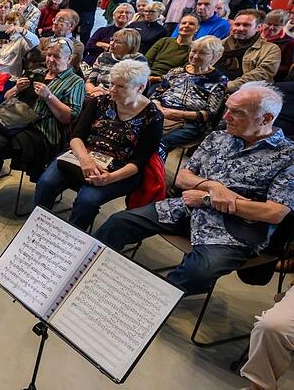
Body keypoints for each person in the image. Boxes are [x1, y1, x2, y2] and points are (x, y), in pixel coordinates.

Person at [95, 81, 294, 295]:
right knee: (120, 222)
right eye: (227, 108)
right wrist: (213, 186)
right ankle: (92, 275)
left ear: (266, 119)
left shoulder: (288, 156)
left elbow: (274, 213)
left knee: (199, 271)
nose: (226, 116)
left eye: (237, 112)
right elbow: (182, 177)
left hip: (234, 230)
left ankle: (148, 304)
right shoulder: (219, 137)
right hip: (187, 207)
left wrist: (207, 199)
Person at [0, 39, 86, 213]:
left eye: (56, 56)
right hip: (12, 120)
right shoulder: (36, 72)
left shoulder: (75, 82)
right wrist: (16, 89)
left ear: (69, 58)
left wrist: (49, 97)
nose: (50, 60)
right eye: (48, 55)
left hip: (39, 130)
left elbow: (68, 118)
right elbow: (8, 99)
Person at [35, 60, 163, 230]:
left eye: (121, 87)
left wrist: (110, 178)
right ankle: (37, 224)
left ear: (140, 88)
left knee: (87, 200)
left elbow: (139, 162)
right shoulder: (100, 101)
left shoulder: (153, 117)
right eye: (111, 84)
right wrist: (85, 160)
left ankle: (73, 235)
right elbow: (76, 136)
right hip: (83, 155)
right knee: (46, 182)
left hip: (120, 168)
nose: (112, 90)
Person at [151, 36, 228, 151]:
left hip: (189, 123)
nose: (196, 56)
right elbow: (156, 94)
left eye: (203, 53)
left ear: (215, 56)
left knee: (159, 144)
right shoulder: (176, 71)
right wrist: (160, 109)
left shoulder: (218, 80)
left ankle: (148, 168)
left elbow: (210, 114)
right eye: (193, 51)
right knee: (135, 131)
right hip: (160, 113)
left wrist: (177, 114)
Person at [218, 10, 282, 93]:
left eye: (246, 25)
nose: (240, 28)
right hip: (214, 88)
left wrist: (226, 86)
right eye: (237, 24)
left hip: (248, 93)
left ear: (258, 27)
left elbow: (261, 75)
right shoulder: (219, 44)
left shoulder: (271, 49)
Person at [0, 12, 35, 103]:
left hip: (8, 76)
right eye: (9, 23)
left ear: (20, 26)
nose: (11, 26)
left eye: (14, 24)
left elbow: (35, 42)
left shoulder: (21, 40)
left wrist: (22, 31)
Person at [87, 28, 147, 96]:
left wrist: (105, 94)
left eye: (118, 42)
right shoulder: (104, 56)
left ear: (129, 46)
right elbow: (90, 81)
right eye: (112, 40)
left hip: (119, 99)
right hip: (97, 93)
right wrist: (93, 90)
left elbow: (131, 92)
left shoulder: (138, 61)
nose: (111, 44)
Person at [24, 9, 85, 73]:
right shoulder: (43, 40)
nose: (55, 23)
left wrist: (41, 55)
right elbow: (31, 56)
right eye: (55, 19)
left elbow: (65, 67)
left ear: (71, 26)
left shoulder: (77, 46)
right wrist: (58, 57)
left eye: (60, 21)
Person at [146, 13, 200, 79]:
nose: (186, 25)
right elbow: (146, 61)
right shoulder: (164, 41)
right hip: (146, 75)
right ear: (179, 26)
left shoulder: (194, 50)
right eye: (183, 23)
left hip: (167, 82)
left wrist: (158, 78)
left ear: (197, 28)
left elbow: (182, 73)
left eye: (191, 24)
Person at [261, 10, 294, 81]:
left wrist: (263, 69)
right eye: (268, 24)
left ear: (283, 26)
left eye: (276, 25)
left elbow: (286, 67)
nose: (271, 27)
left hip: (271, 77)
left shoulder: (290, 42)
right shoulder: (256, 35)